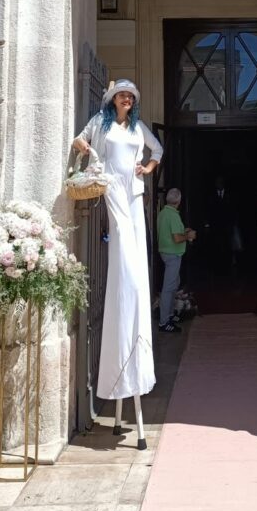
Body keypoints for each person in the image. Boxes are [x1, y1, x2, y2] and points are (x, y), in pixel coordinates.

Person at [73, 79, 163, 401]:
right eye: (122, 95)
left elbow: (159, 149)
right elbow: (79, 140)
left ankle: (136, 291)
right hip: (111, 188)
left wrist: (148, 168)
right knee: (123, 242)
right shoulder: (100, 121)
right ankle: (129, 285)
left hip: (134, 191)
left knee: (135, 249)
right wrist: (84, 147)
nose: (126, 99)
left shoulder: (138, 128)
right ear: (112, 99)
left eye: (130, 96)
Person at [156, 187, 196, 333]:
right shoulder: (173, 215)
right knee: (169, 288)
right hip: (172, 253)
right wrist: (188, 236)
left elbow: (169, 233)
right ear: (178, 201)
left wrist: (184, 231)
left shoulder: (163, 213)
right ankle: (164, 321)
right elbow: (176, 238)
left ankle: (170, 314)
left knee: (174, 284)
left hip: (166, 252)